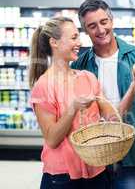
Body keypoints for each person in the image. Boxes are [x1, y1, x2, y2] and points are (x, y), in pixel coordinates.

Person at [71, 0, 135, 189]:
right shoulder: (79, 65)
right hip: (95, 155)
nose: (100, 30)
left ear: (111, 21)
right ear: (85, 31)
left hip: (131, 154)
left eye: (103, 22)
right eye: (92, 26)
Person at [29, 17, 118, 189]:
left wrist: (112, 121)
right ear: (54, 42)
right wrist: (74, 108)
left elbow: (111, 115)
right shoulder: (44, 85)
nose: (79, 42)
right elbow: (52, 139)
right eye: (74, 37)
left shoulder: (88, 77)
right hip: (63, 177)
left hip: (97, 171)